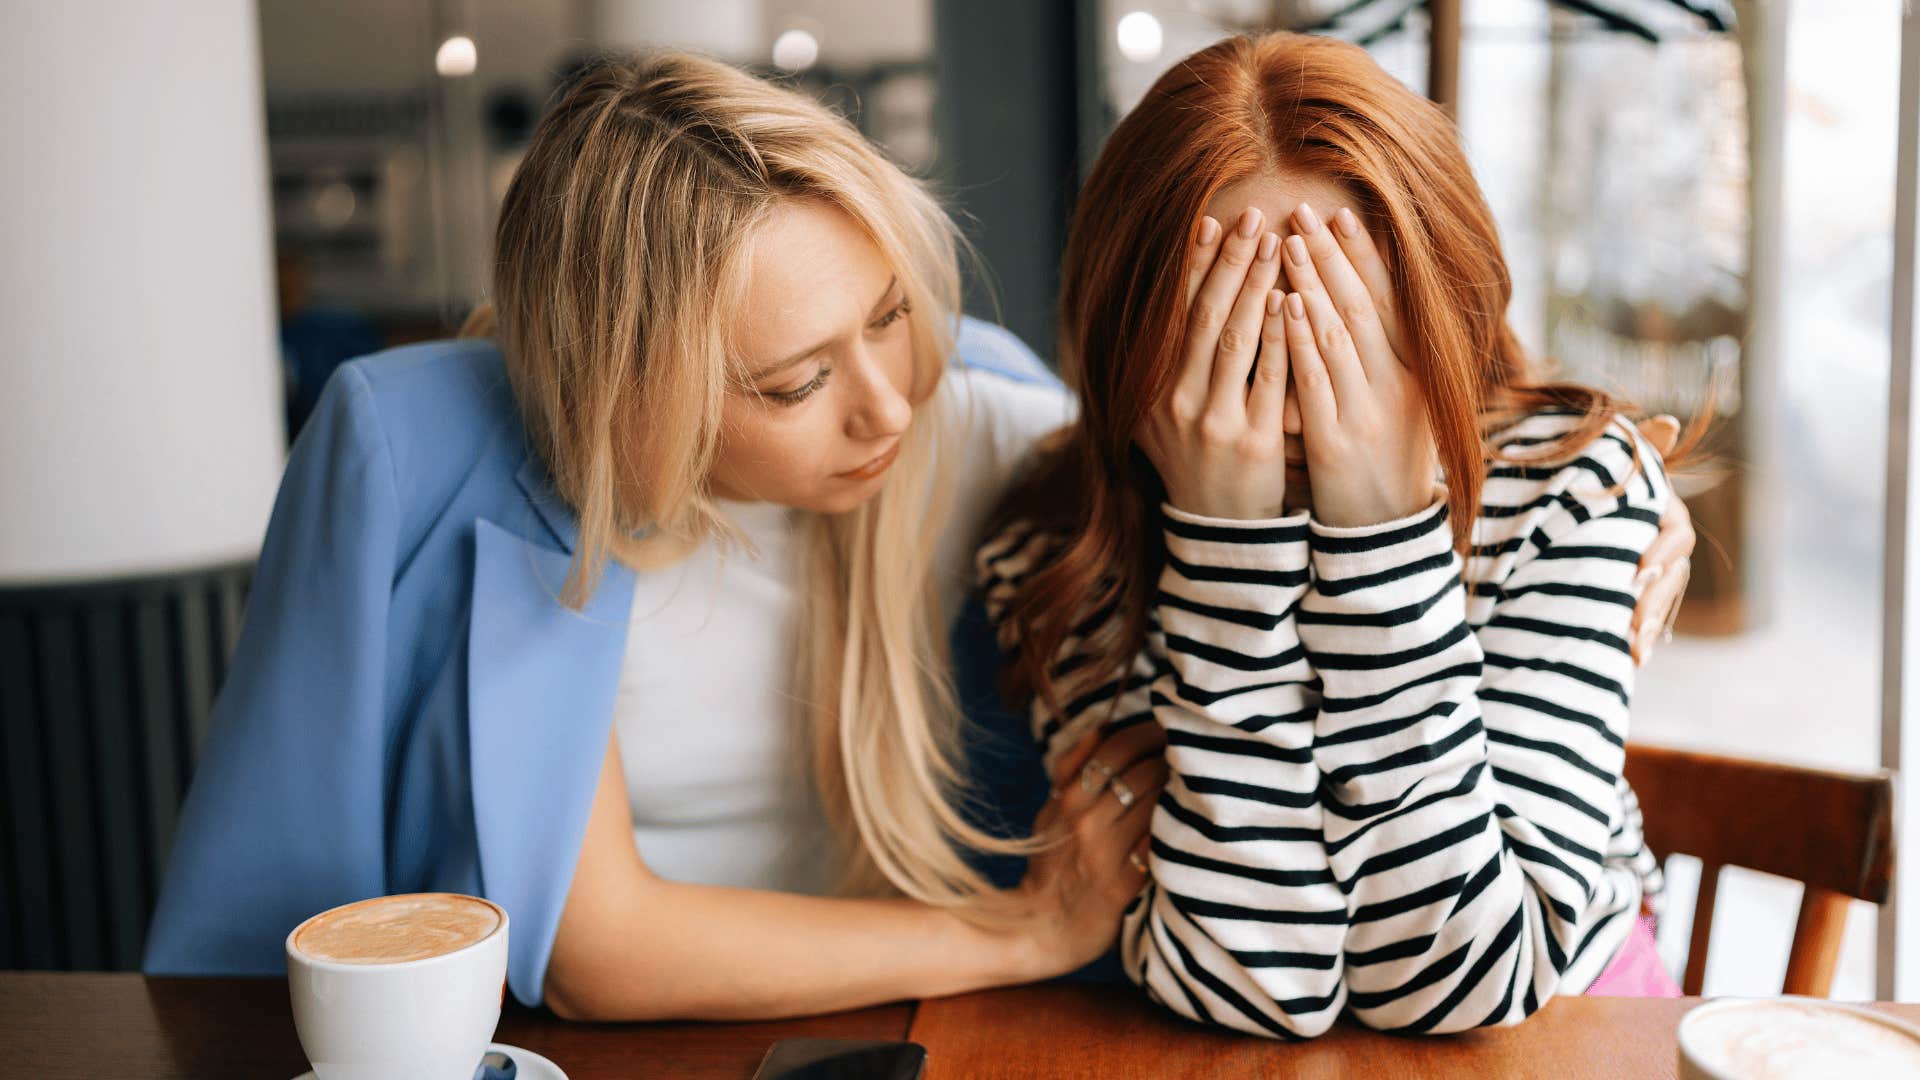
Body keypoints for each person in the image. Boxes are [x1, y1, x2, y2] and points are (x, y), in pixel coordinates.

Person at [144, 51, 1160, 1020]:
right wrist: (1019, 938)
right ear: (637, 397)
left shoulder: (979, 414)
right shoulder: (417, 445)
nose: (888, 406)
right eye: (796, 382)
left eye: (890, 314)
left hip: (921, 1027)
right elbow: (597, 949)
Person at [977, 31, 1696, 1039]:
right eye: (1233, 332)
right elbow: (1255, 987)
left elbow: (1466, 989)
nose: (1301, 391)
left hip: (1572, 1039)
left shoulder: (1569, 489)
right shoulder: (1061, 549)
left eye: (1344, 321)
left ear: (1444, 301)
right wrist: (1225, 550)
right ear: (1131, 331)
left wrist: (1383, 537)